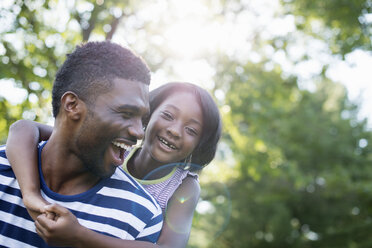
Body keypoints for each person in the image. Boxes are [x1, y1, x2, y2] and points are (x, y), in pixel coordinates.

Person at [6, 82, 222, 247]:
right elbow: (23, 128)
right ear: (147, 114)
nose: (175, 131)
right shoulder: (116, 146)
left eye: (191, 130)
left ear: (200, 144)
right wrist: (31, 194)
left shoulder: (184, 186)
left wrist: (80, 236)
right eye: (168, 115)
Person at [0, 41, 164, 247]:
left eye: (142, 120)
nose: (139, 132)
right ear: (72, 105)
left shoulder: (141, 216)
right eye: (126, 114)